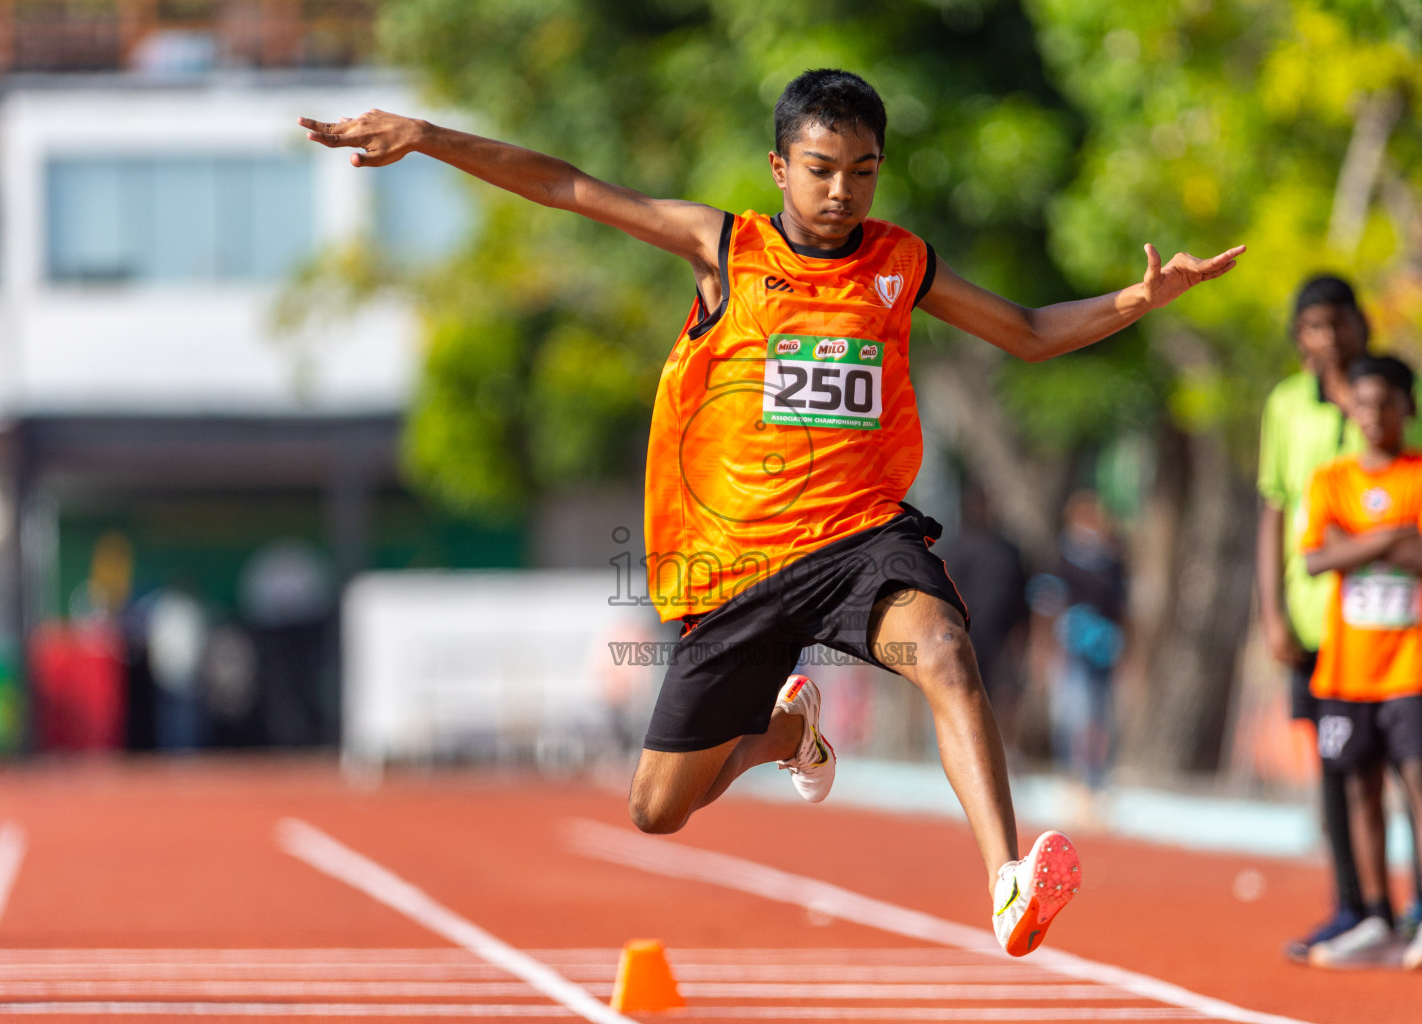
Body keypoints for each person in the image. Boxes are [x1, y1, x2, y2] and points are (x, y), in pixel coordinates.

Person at [301, 68, 1243, 956]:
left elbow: (1031, 333)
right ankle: (788, 735)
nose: (843, 193)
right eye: (823, 170)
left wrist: (1139, 297)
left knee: (947, 654)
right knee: (656, 809)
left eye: (863, 172)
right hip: (735, 564)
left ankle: (1005, 875)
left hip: (860, 539)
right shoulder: (725, 247)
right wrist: (425, 136)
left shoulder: (899, 265)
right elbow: (567, 187)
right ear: (780, 167)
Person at [1255, 276, 1422, 959]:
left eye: (1339, 324)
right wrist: (1273, 610)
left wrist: (1369, 545)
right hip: (1331, 638)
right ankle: (1362, 910)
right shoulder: (1295, 421)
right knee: (1348, 774)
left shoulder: (1418, 432)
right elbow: (1294, 530)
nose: (1327, 339)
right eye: (1312, 326)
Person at [1300, 356, 1422, 969]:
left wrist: (1356, 543)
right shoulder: (1330, 479)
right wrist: (1386, 538)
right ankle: (1375, 916)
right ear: (1350, 410)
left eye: (1385, 404)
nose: (1372, 416)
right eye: (1362, 404)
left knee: (1419, 783)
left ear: (1408, 408)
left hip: (1411, 665)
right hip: (1347, 669)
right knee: (1360, 790)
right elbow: (1317, 559)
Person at [1044, 491, 1126, 795]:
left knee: (1099, 711)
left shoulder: (1111, 560)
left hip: (1103, 646)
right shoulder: (1063, 558)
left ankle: (1095, 772)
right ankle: (1072, 770)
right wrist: (1048, 647)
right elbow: (1048, 603)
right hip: (1071, 644)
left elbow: (1121, 608)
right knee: (1072, 710)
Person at [939, 486, 1028, 748]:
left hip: (1002, 638)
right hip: (964, 635)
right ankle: (964, 747)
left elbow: (1022, 597)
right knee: (962, 693)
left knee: (1004, 696)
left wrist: (1022, 637)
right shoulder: (955, 547)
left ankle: (1003, 750)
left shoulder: (1008, 550)